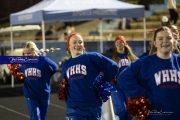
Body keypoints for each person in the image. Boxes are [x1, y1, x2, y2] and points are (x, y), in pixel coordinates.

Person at [117, 26, 180, 119]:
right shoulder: (145, 62)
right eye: (160, 38)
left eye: (168, 38)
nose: (165, 41)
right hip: (155, 116)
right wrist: (141, 93)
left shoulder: (178, 60)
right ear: (155, 43)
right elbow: (123, 78)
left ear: (174, 41)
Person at [57, 32, 118, 120]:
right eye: (74, 42)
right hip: (75, 107)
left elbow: (113, 66)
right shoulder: (66, 65)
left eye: (80, 42)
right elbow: (65, 85)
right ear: (69, 46)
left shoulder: (92, 57)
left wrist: (102, 79)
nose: (78, 44)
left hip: (94, 105)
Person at [10, 41, 59, 120]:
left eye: (28, 53)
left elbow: (55, 67)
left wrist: (46, 74)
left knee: (42, 117)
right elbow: (18, 69)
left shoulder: (44, 60)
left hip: (44, 94)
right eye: (24, 53)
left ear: (35, 51)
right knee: (35, 117)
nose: (26, 56)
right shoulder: (24, 62)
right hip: (31, 95)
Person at [110, 36, 138, 120]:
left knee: (130, 108)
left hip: (128, 87)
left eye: (120, 42)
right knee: (121, 109)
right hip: (116, 87)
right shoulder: (112, 57)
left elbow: (139, 68)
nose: (118, 43)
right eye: (116, 42)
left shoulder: (132, 57)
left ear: (125, 43)